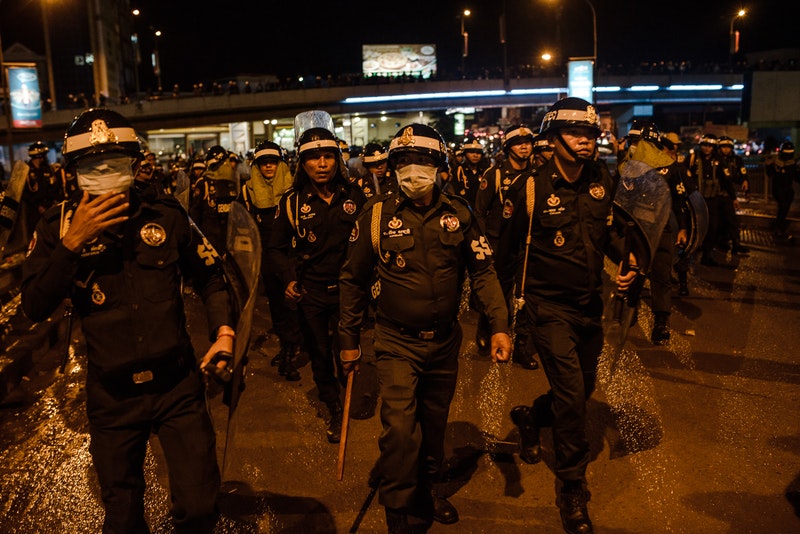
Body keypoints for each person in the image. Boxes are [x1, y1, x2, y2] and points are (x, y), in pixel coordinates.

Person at [20, 108, 236, 533]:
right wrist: (72, 243)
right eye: (91, 165)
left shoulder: (166, 214)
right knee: (122, 518)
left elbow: (211, 276)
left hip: (177, 386)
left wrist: (223, 333)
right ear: (74, 171)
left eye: (114, 163)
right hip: (112, 396)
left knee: (198, 507)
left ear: (134, 164)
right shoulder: (56, 225)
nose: (103, 172)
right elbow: (32, 305)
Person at [338, 123, 512, 533]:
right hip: (396, 342)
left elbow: (484, 272)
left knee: (433, 426)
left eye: (423, 161)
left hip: (445, 343)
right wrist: (348, 341)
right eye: (404, 162)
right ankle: (398, 509)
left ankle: (428, 490)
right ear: (393, 167)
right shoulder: (377, 216)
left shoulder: (459, 214)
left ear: (439, 167)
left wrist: (500, 325)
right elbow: (352, 279)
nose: (413, 171)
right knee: (400, 430)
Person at [501, 97, 639, 534]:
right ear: (553, 138)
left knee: (581, 389)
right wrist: (500, 321)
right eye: (577, 134)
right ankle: (572, 486)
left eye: (591, 134)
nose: (586, 141)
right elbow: (504, 258)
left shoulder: (603, 180)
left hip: (589, 306)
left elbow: (612, 234)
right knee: (572, 394)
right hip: (547, 309)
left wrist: (627, 261)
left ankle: (530, 417)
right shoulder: (529, 188)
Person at [267, 123, 366, 443]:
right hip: (311, 294)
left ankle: (349, 394)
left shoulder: (355, 196)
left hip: (349, 293)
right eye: (313, 158)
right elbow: (275, 249)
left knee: (347, 352)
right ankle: (334, 407)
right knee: (320, 356)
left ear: (338, 160)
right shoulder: (291, 202)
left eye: (328, 156)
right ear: (302, 163)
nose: (321, 164)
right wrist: (288, 278)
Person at [473, 124, 539, 370]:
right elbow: (479, 211)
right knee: (498, 290)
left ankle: (522, 345)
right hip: (498, 242)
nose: (525, 147)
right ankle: (487, 326)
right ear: (508, 147)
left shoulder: (537, 174)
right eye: (518, 143)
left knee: (525, 294)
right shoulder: (495, 174)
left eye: (528, 142)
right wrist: (484, 243)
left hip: (527, 243)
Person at [619, 122, 690, 344]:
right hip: (635, 230)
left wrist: (684, 227)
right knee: (634, 271)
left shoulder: (670, 166)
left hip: (661, 228)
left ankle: (661, 323)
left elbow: (680, 200)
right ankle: (630, 310)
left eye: (636, 142)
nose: (633, 147)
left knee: (661, 274)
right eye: (631, 143)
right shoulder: (625, 167)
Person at [241, 140, 301, 381]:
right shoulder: (246, 191)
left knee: (293, 306)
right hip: (266, 259)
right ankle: (288, 347)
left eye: (273, 161)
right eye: (263, 162)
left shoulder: (293, 190)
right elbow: (241, 227)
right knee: (277, 307)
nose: (268, 166)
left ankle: (290, 353)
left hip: (290, 257)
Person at [689, 134, 735, 266]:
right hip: (696, 199)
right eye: (704, 145)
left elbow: (727, 180)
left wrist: (733, 198)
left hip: (712, 199)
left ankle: (707, 254)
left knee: (712, 226)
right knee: (694, 226)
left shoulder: (719, 160)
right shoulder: (693, 158)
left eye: (710, 146)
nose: (707, 148)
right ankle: (690, 251)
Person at [661, 131, 696, 297]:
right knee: (665, 252)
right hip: (663, 215)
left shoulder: (680, 166)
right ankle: (666, 278)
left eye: (674, 146)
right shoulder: (659, 166)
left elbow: (688, 190)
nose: (672, 149)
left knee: (681, 249)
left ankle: (683, 282)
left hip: (680, 212)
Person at [189, 145, 239, 256]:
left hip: (229, 237)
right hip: (210, 238)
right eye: (226, 163)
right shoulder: (203, 183)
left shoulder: (232, 183)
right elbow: (195, 214)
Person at [716, 136, 749, 255]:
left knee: (731, 219)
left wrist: (745, 180)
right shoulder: (716, 159)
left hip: (729, 193)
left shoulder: (737, 159)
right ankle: (723, 241)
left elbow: (742, 172)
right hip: (717, 193)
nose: (725, 150)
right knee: (720, 220)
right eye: (723, 147)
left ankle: (735, 243)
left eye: (728, 147)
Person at [22, 141, 61, 238]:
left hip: (49, 207)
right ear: (39, 156)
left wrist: (54, 202)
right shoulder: (27, 171)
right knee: (35, 235)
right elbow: (25, 193)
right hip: (34, 211)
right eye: (44, 155)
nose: (45, 158)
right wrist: (38, 206)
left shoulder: (48, 169)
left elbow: (54, 186)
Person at [765, 141, 799, 238]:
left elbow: (796, 177)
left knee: (784, 208)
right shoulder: (776, 162)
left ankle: (779, 227)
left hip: (788, 189)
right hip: (778, 188)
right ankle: (779, 228)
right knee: (783, 206)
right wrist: (768, 165)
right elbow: (770, 173)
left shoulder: (792, 163)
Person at [452, 139, 489, 208]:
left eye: (478, 152)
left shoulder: (485, 171)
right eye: (471, 152)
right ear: (465, 154)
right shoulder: (458, 171)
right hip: (463, 211)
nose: (475, 155)